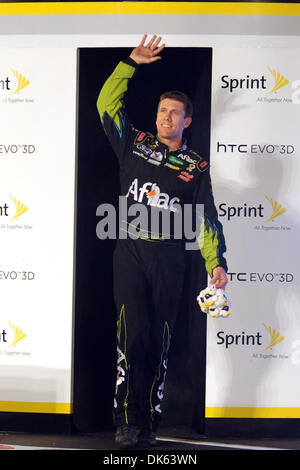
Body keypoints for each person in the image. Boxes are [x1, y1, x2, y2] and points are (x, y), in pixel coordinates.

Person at [97, 35, 228, 449]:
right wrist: (129, 66)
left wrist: (216, 262)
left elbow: (205, 218)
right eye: (161, 111)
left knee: (159, 340)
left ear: (188, 120)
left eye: (174, 113)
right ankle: (125, 420)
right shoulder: (134, 144)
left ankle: (149, 422)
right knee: (132, 336)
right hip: (131, 252)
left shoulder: (195, 167)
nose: (165, 118)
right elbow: (106, 106)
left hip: (171, 258)